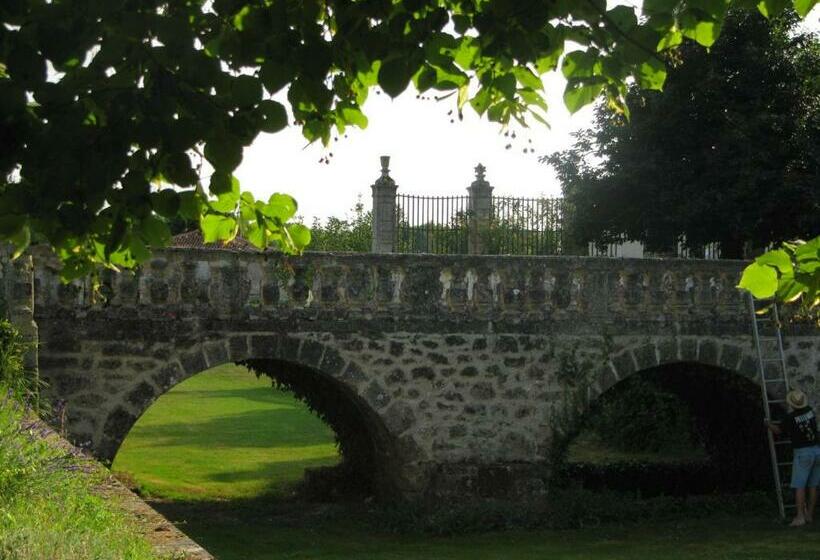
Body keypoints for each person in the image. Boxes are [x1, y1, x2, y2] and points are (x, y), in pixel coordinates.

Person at [766, 389, 820, 527]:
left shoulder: (790, 418)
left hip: (803, 453)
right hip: (816, 450)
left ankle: (800, 516)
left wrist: (767, 424)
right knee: (813, 485)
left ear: (792, 404)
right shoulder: (809, 411)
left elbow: (778, 431)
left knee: (799, 486)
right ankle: (809, 515)